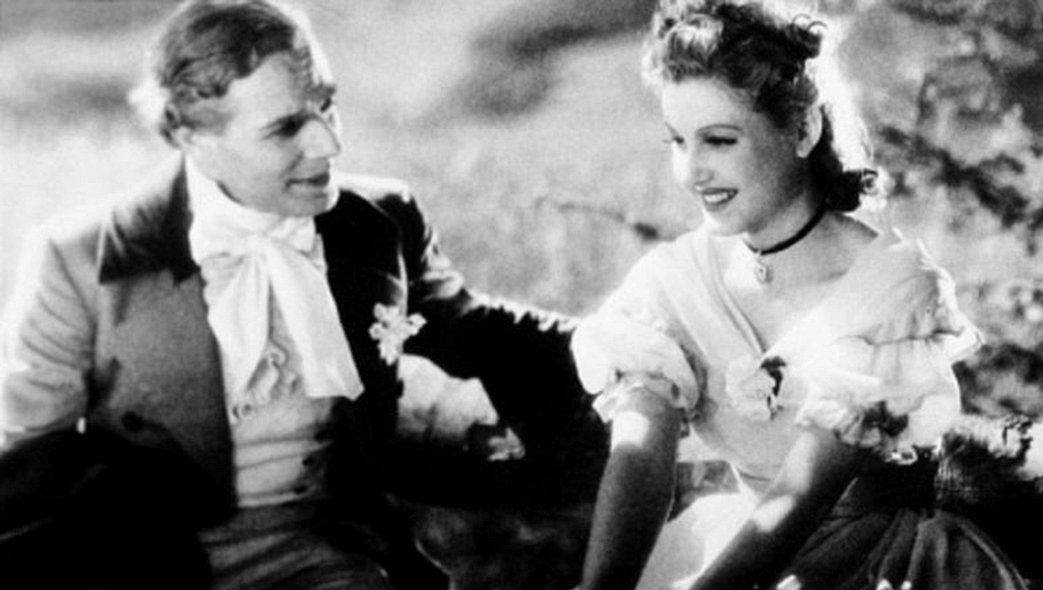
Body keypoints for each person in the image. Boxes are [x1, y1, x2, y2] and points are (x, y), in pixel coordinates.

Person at [0, 1, 599, 588]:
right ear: (190, 135)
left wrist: (617, 337)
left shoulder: (375, 224)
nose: (328, 144)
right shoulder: (82, 259)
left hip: (325, 549)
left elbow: (480, 330)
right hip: (149, 557)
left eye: (327, 105)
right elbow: (33, 467)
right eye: (286, 127)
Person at [571, 1, 1030, 589]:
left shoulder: (890, 292)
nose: (691, 171)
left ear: (804, 129)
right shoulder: (672, 281)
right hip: (738, 539)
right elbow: (639, 459)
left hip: (879, 563)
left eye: (719, 140)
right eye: (678, 141)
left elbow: (800, 498)